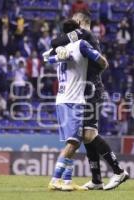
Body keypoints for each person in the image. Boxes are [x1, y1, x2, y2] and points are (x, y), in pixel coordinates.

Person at [48, 11, 129, 191]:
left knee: (88, 135)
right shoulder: (86, 39)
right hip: (84, 91)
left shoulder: (84, 35)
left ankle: (118, 171)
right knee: (85, 136)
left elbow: (54, 43)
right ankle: (96, 179)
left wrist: (57, 47)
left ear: (79, 23)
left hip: (90, 90)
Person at [46, 19, 108, 191]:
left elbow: (48, 58)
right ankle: (55, 179)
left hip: (62, 98)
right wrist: (103, 63)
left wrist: (58, 53)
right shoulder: (81, 44)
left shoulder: (59, 50)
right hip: (74, 99)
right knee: (73, 142)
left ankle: (67, 181)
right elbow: (100, 60)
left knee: (74, 141)